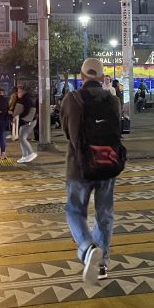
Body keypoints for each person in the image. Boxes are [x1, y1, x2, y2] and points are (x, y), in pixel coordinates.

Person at [61, 57, 122, 285]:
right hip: (107, 165)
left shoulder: (72, 99)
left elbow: (68, 131)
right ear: (101, 75)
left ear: (82, 76)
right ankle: (102, 264)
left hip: (79, 167)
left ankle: (87, 249)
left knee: (74, 211)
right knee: (104, 214)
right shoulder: (113, 100)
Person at [13, 84, 38, 163]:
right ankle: (25, 156)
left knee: (22, 138)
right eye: (18, 92)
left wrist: (18, 116)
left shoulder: (26, 99)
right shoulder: (23, 99)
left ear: (24, 91)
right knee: (21, 138)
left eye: (19, 91)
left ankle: (31, 153)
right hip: (26, 121)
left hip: (28, 121)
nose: (18, 93)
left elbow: (27, 110)